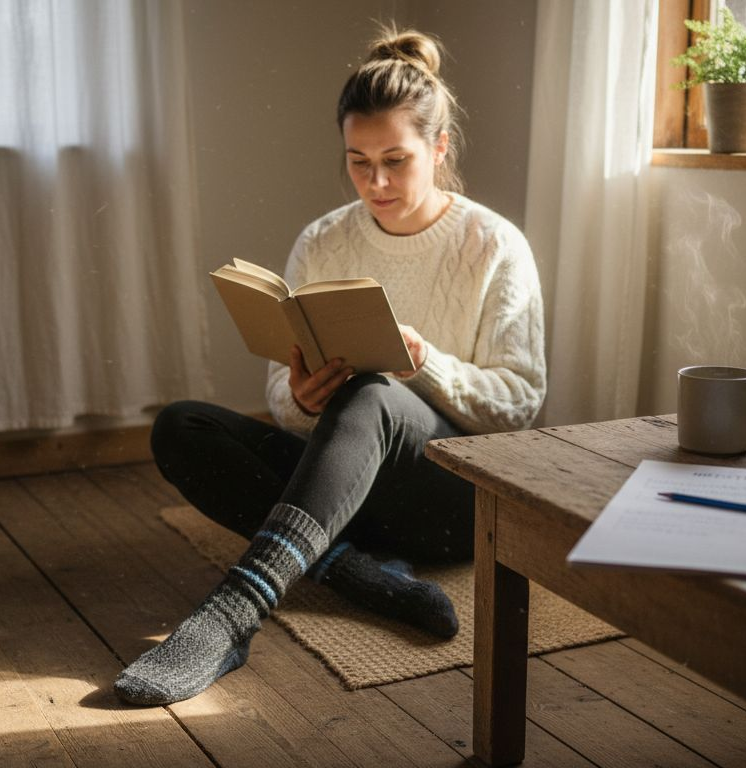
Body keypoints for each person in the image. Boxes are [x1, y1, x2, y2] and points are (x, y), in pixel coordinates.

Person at [115, 26, 545, 707]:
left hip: (453, 503)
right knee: (181, 426)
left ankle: (232, 614)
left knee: (373, 393)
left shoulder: (495, 245)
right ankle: (363, 579)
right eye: (358, 161)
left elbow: (521, 402)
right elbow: (280, 402)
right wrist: (302, 399)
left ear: (439, 149)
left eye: (396, 160)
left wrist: (426, 364)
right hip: (341, 493)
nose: (375, 182)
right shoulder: (323, 240)